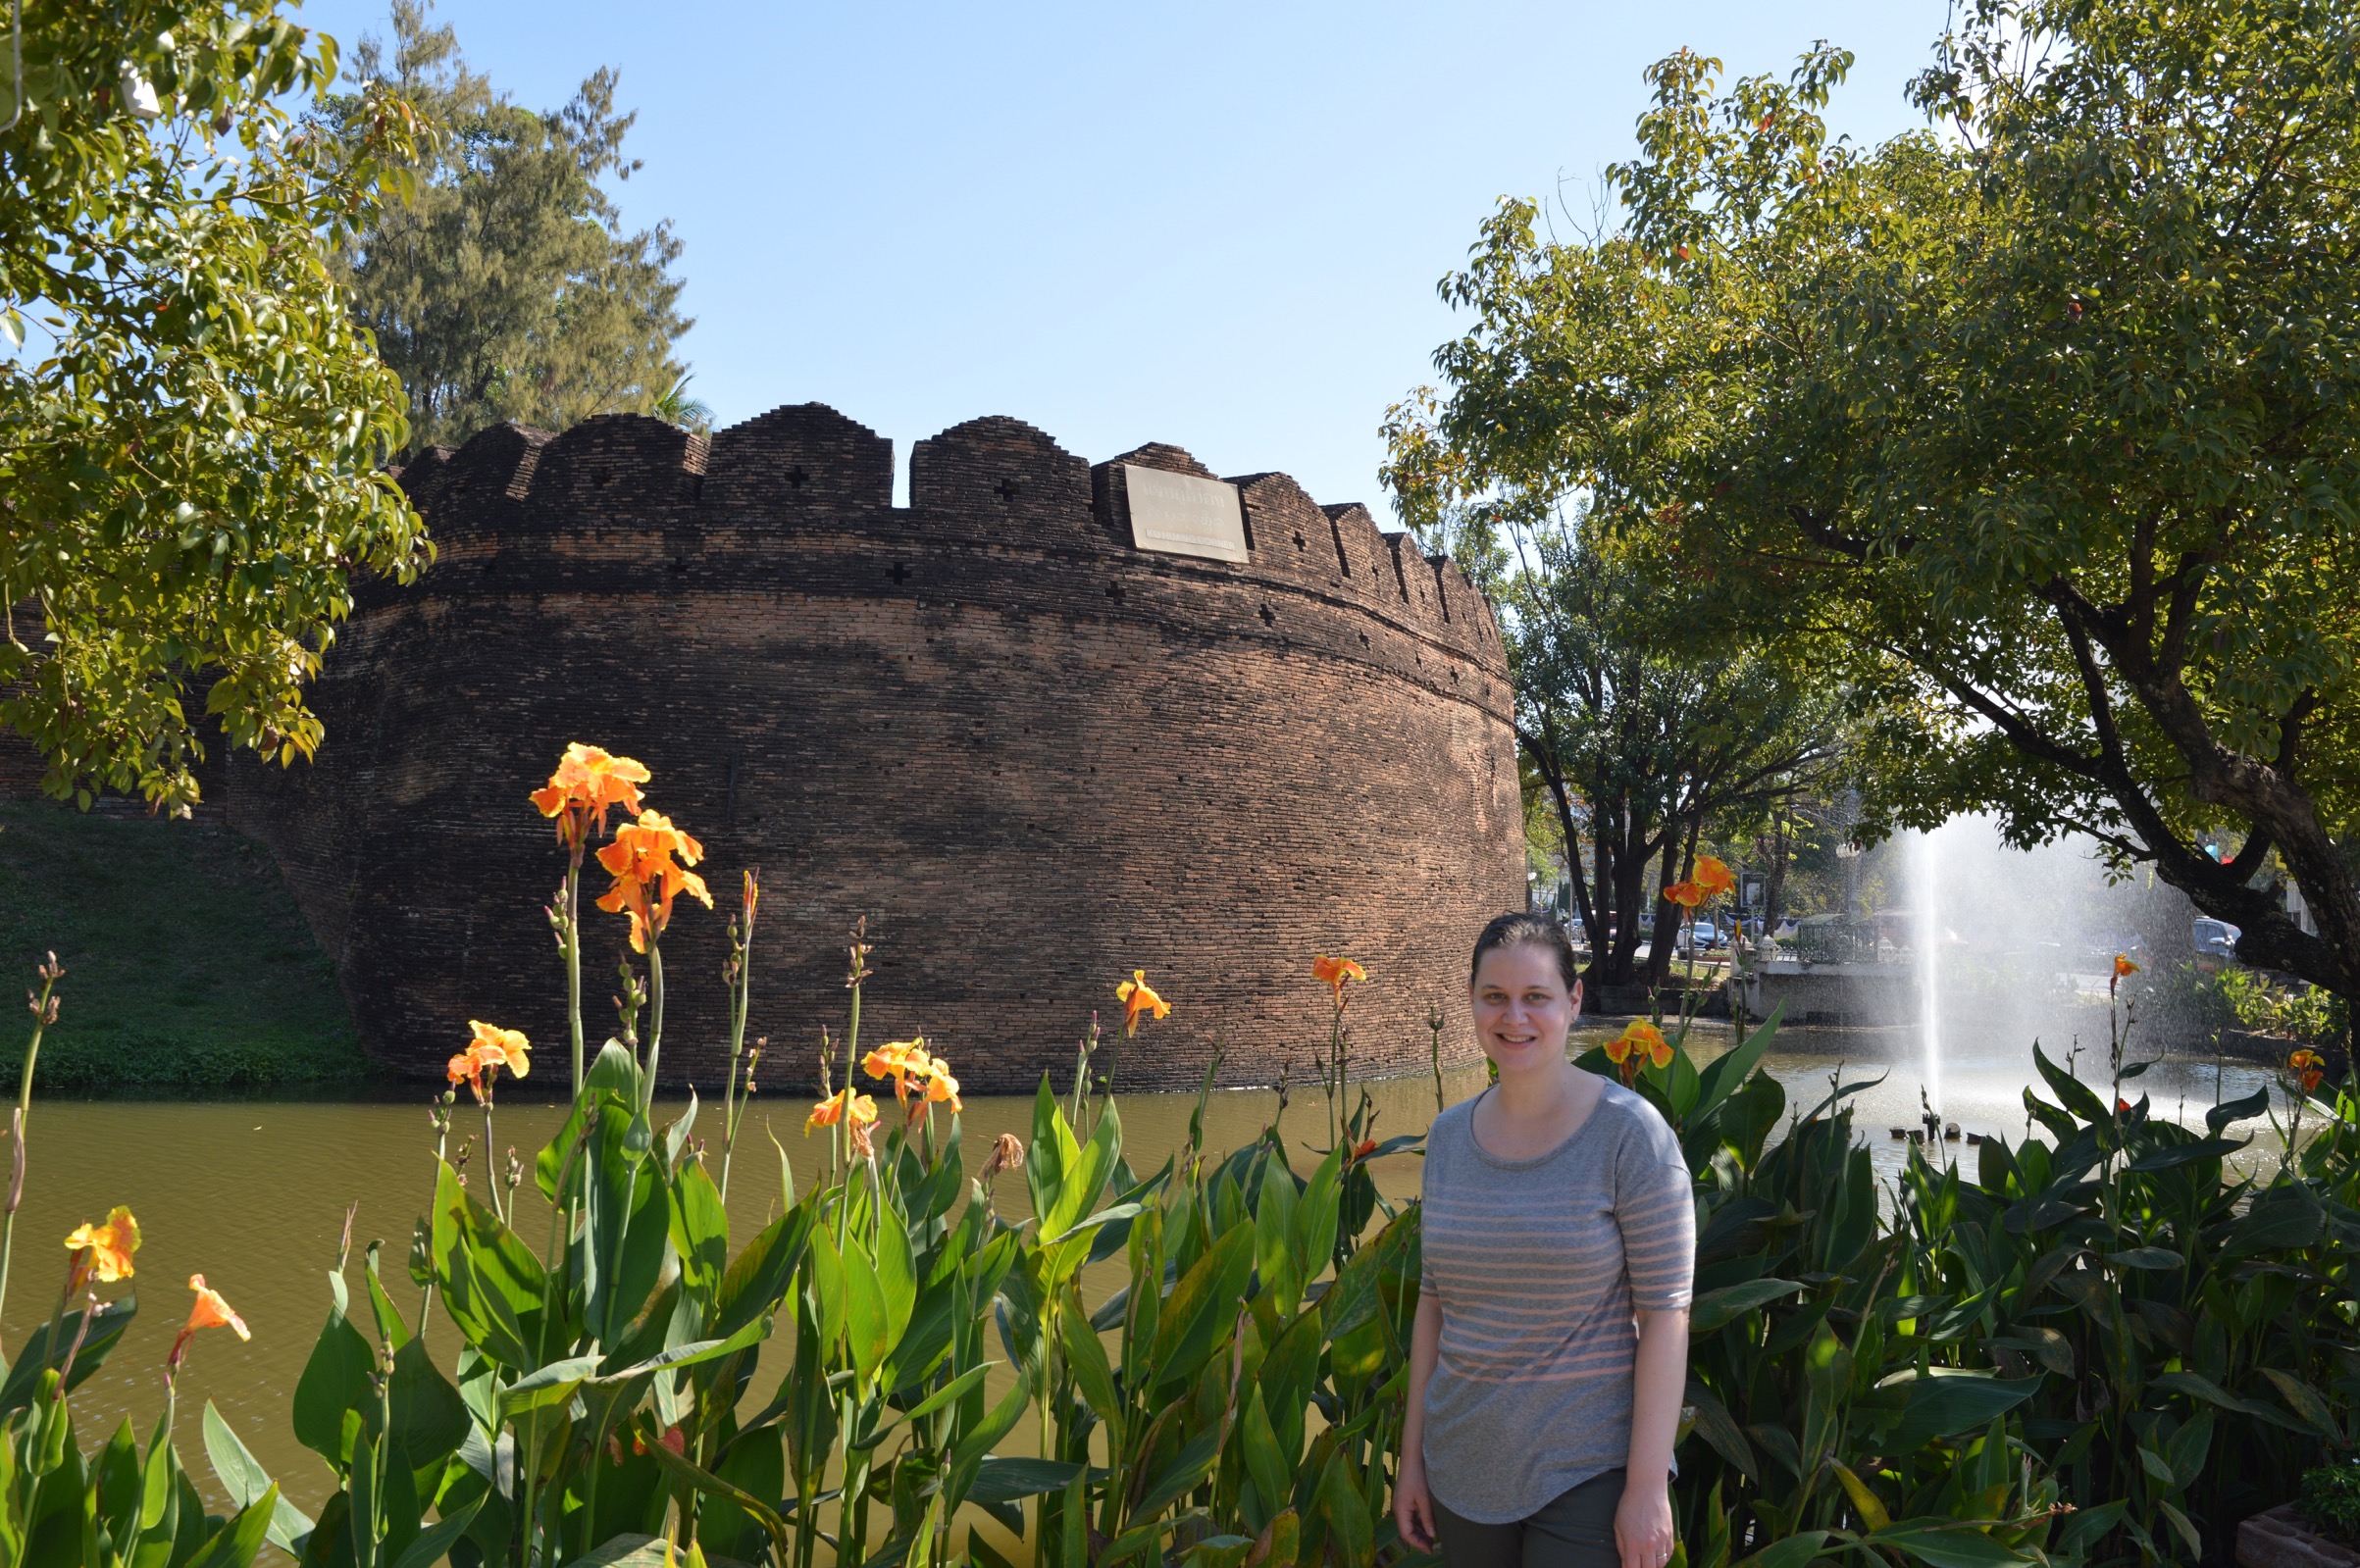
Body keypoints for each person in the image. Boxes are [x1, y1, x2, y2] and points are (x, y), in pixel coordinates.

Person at [1394, 913, 1695, 1568]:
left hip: (1585, 1469)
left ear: (1574, 1000)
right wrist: (1410, 1459)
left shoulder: (1630, 1135)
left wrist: (1646, 1488)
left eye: (1537, 996)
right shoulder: (1448, 1137)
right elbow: (1433, 1304)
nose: (1515, 1017)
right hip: (1463, 1468)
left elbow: (1666, 1313)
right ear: (1471, 1000)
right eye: (1494, 996)